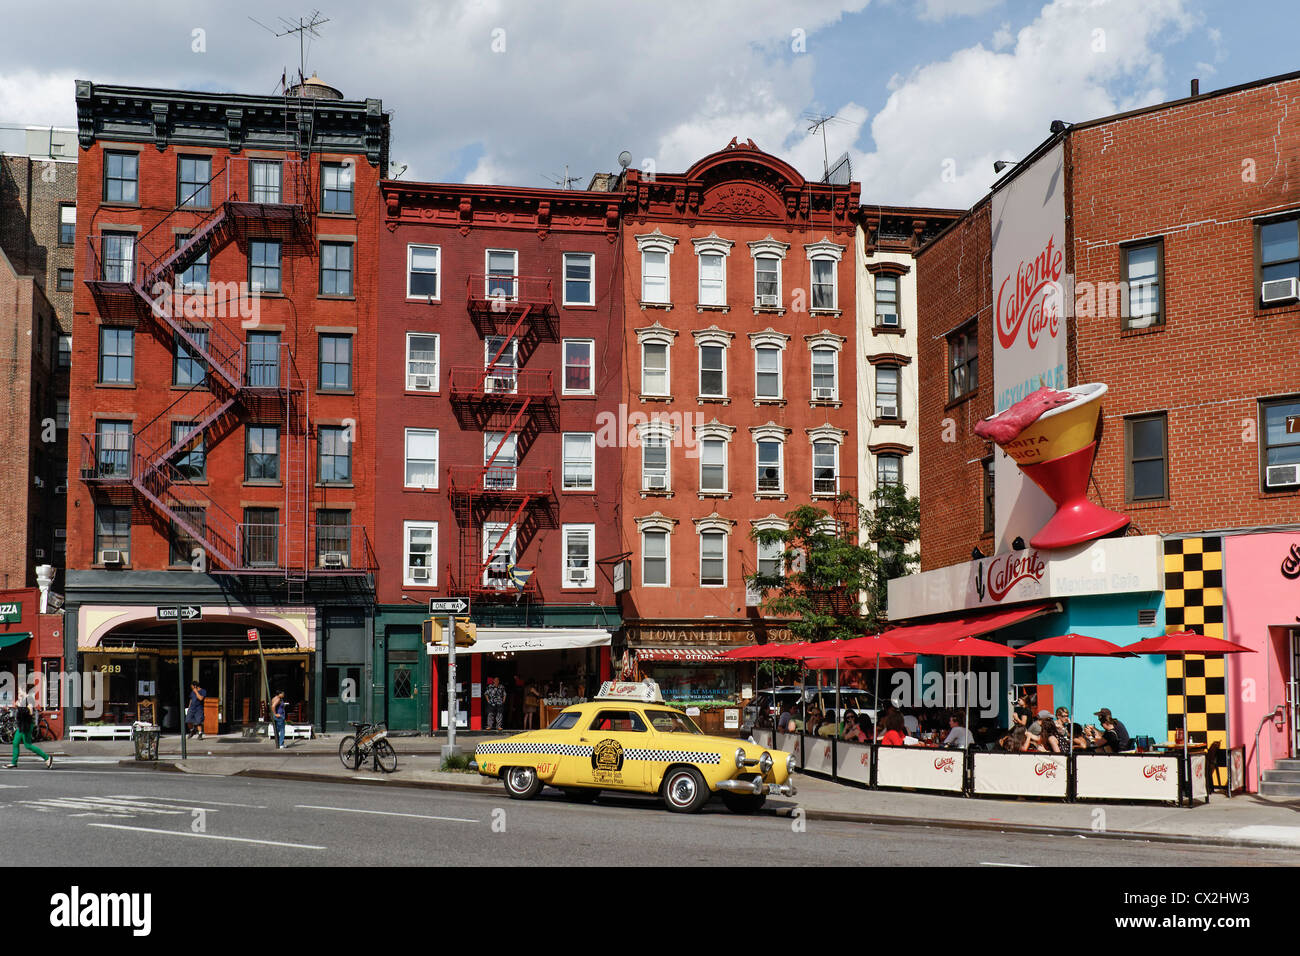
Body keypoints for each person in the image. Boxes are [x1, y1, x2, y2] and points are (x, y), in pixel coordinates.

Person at [6, 680, 52, 769]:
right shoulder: (23, 699)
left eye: (19, 690)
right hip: (21, 725)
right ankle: (13, 762)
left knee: (28, 745)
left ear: (24, 690)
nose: (18, 691)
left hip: (26, 725)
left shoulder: (29, 699)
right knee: (15, 742)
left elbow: (30, 712)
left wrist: (20, 706)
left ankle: (47, 757)